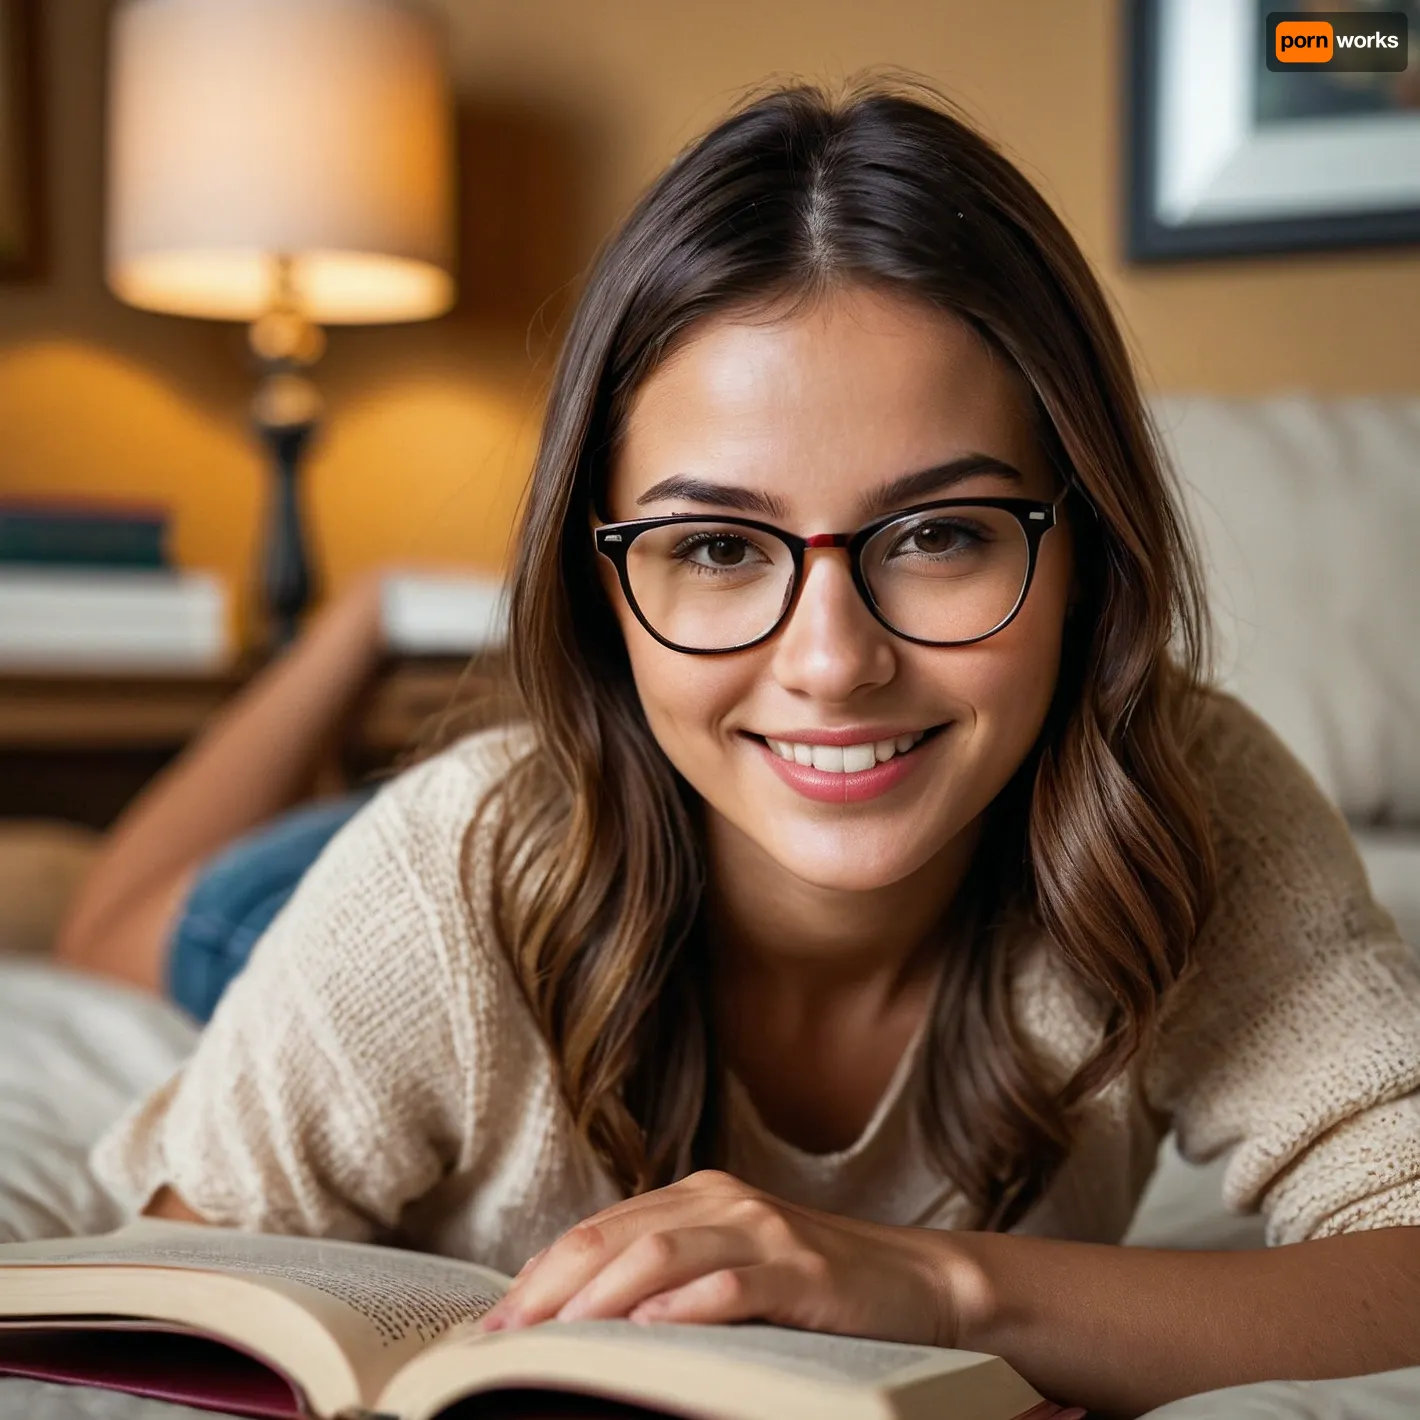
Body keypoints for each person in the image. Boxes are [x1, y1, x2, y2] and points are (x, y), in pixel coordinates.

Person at [61, 80, 1420, 1418]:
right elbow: (176, 1281)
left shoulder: (1190, 800)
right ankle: (326, 648)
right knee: (119, 929)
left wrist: (942, 1286)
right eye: (716, 545)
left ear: (1083, 554)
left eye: (941, 533)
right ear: (604, 585)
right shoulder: (434, 889)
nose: (833, 664)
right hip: (404, 877)